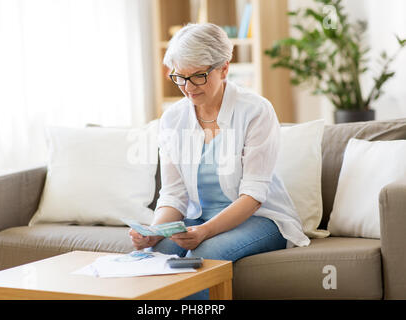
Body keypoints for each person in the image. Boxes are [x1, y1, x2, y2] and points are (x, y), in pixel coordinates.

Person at [129, 23, 310, 298]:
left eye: (199, 76)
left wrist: (204, 232)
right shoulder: (173, 119)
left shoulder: (255, 111)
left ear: (224, 68)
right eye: (180, 77)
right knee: (155, 258)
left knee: (202, 256)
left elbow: (253, 196)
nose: (188, 87)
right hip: (198, 220)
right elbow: (173, 196)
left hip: (259, 218)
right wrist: (154, 232)